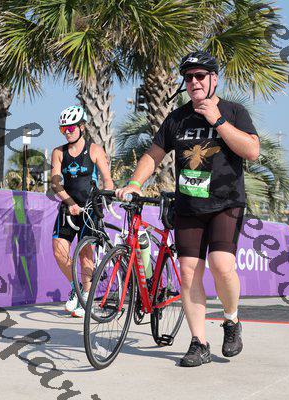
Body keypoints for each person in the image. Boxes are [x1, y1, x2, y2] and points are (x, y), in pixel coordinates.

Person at [116, 50, 260, 367]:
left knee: (222, 265)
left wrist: (217, 120)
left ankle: (232, 320)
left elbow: (251, 150)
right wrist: (135, 183)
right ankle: (199, 343)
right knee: (188, 272)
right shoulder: (177, 118)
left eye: (200, 76)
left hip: (225, 203)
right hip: (188, 205)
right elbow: (153, 155)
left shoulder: (234, 112)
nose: (194, 82)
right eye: (188, 77)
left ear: (213, 79)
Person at [51, 105, 114, 317]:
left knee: (86, 255)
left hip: (90, 208)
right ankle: (76, 288)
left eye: (70, 128)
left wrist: (106, 196)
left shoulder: (94, 150)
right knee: (59, 251)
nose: (67, 132)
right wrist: (69, 203)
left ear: (81, 127)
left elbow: (107, 179)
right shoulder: (58, 153)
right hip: (68, 208)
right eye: (63, 129)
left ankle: (86, 296)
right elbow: (55, 182)